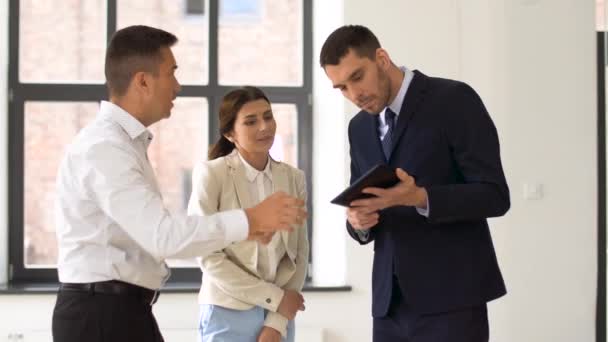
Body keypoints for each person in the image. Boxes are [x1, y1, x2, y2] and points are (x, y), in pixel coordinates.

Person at [52, 26, 306, 342]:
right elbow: (164, 236)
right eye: (171, 73)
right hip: (101, 315)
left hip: (122, 310)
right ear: (143, 81)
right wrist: (251, 220)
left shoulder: (125, 145)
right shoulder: (105, 148)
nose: (178, 85)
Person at [320, 25, 510, 342]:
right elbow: (362, 204)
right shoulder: (359, 128)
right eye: (341, 88)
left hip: (453, 300)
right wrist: (358, 222)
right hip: (388, 307)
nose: (354, 95)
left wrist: (421, 197)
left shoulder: (453, 99)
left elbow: (494, 195)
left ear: (381, 58)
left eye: (357, 77)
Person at [188, 86, 308, 342]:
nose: (264, 127)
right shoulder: (212, 175)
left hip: (279, 313)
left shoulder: (293, 178)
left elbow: (299, 253)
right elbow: (207, 254)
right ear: (230, 133)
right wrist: (275, 298)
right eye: (251, 121)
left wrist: (277, 323)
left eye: (268, 116)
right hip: (227, 310)